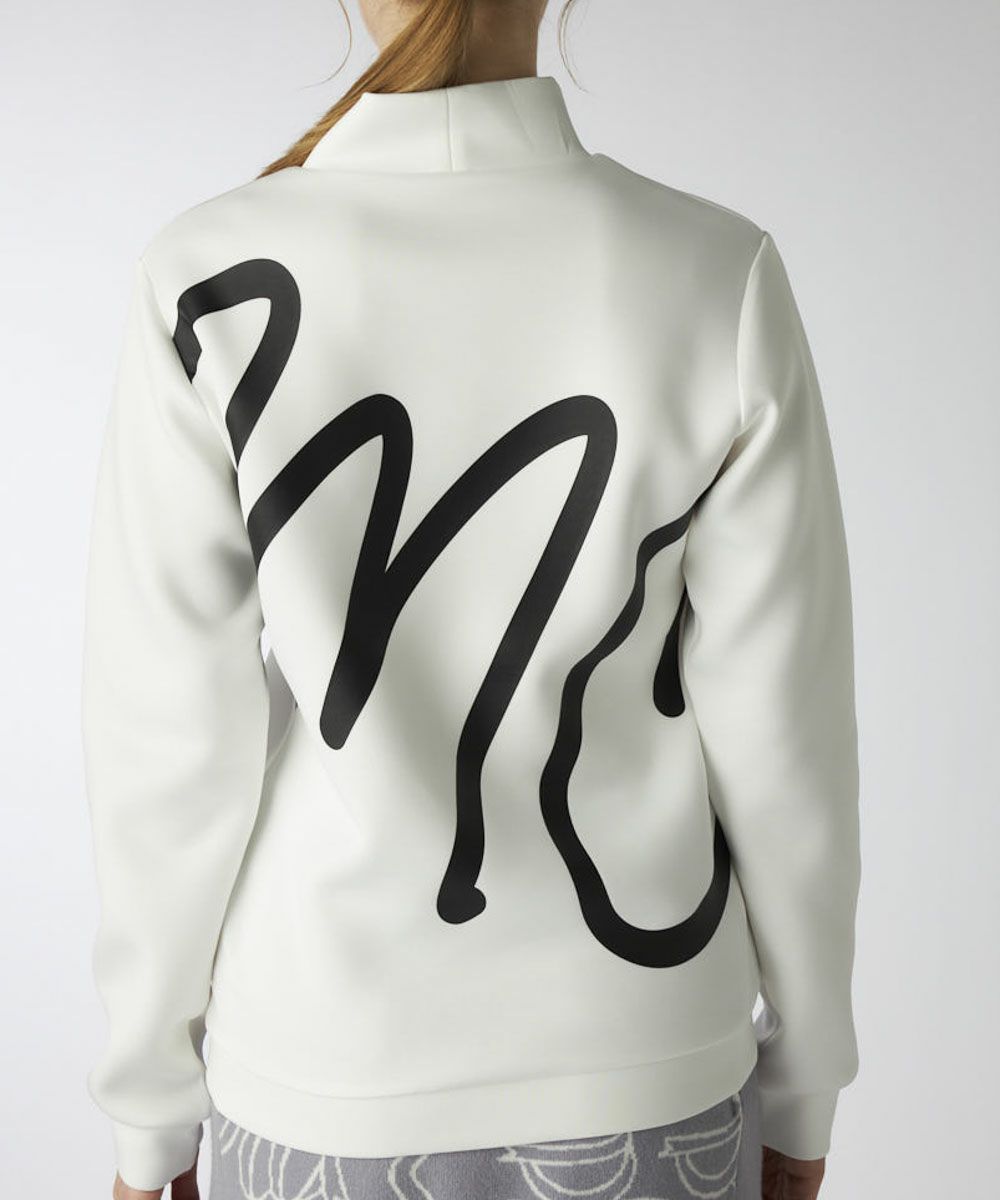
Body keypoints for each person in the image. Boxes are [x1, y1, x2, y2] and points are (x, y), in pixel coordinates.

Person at [80, 2, 861, 1199]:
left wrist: (148, 1115)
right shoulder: (714, 272)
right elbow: (784, 739)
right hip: (643, 1057)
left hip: (321, 1065)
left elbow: (166, 747)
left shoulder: (204, 281)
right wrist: (804, 1084)